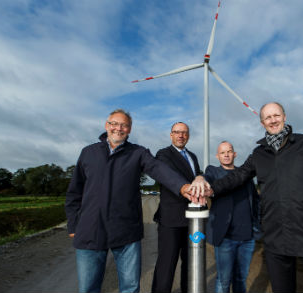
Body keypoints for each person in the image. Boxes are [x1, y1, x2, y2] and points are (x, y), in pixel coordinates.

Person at [200, 102, 303, 293]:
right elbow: (237, 176)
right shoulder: (259, 154)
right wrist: (211, 189)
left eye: (276, 115)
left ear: (284, 117)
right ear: (262, 123)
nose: (273, 120)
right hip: (275, 235)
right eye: (268, 117)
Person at [65, 110, 201, 293]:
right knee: (88, 288)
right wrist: (73, 226)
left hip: (126, 232)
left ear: (129, 129)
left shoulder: (138, 153)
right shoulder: (88, 153)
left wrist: (183, 187)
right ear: (106, 125)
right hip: (91, 231)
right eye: (114, 124)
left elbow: (158, 169)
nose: (118, 128)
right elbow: (74, 192)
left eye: (124, 125)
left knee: (130, 287)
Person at [151, 122, 202, 293]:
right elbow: (170, 176)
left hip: (192, 220)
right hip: (171, 220)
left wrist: (202, 177)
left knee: (190, 265)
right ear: (171, 135)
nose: (181, 135)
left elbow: (197, 175)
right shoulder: (163, 154)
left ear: (188, 135)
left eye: (184, 132)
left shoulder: (193, 156)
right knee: (166, 266)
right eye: (177, 132)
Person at [204, 141, 261, 293]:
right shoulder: (213, 171)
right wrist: (199, 179)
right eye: (223, 152)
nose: (227, 154)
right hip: (225, 237)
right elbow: (205, 179)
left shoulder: (245, 173)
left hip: (248, 237)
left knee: (241, 279)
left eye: (229, 151)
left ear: (235, 154)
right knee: (223, 280)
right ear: (217, 156)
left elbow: (256, 201)